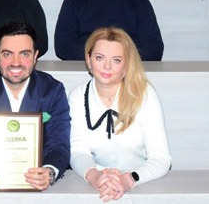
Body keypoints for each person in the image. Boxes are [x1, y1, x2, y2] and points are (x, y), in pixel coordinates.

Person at [0, 23, 68, 192]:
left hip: (38, 186)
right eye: (7, 54)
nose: (16, 63)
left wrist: (49, 171)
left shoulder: (52, 91)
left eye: (24, 54)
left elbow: (59, 144)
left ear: (35, 56)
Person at [69, 27, 171, 201]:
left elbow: (161, 158)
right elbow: (78, 152)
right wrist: (96, 177)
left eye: (116, 60)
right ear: (88, 59)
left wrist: (127, 180)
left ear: (127, 64)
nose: (107, 66)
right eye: (99, 58)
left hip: (140, 181)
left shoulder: (145, 94)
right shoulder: (78, 96)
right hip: (95, 182)